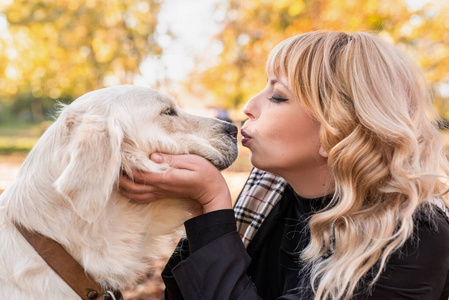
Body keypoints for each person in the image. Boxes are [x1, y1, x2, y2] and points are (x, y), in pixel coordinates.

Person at [119, 31, 449, 300]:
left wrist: (211, 208)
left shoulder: (412, 238)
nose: (249, 106)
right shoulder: (269, 194)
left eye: (277, 96)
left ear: (339, 126)